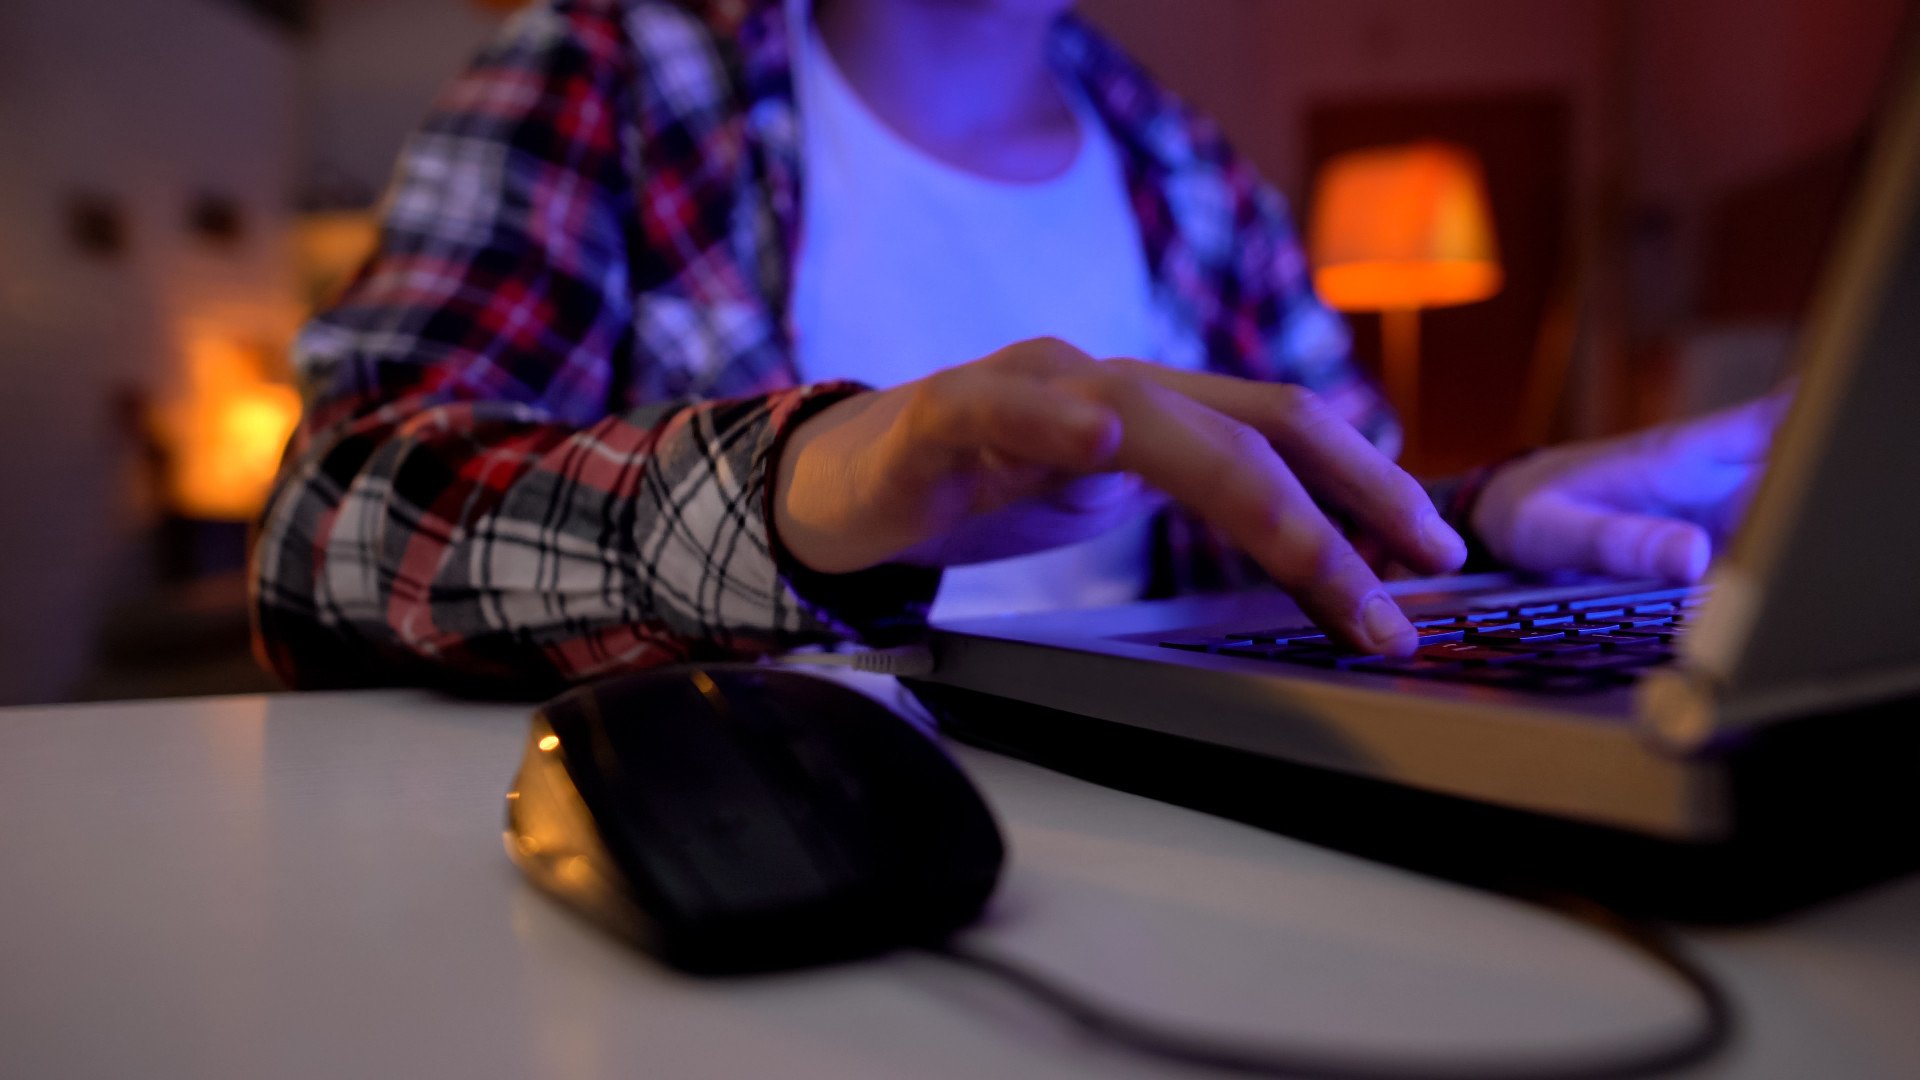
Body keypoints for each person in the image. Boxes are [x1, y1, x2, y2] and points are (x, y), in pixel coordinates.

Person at [249, 0, 1783, 693]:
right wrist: (801, 490)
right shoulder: (610, 71)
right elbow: (327, 528)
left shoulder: (1191, 172)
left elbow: (1315, 535)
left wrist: (1485, 514)